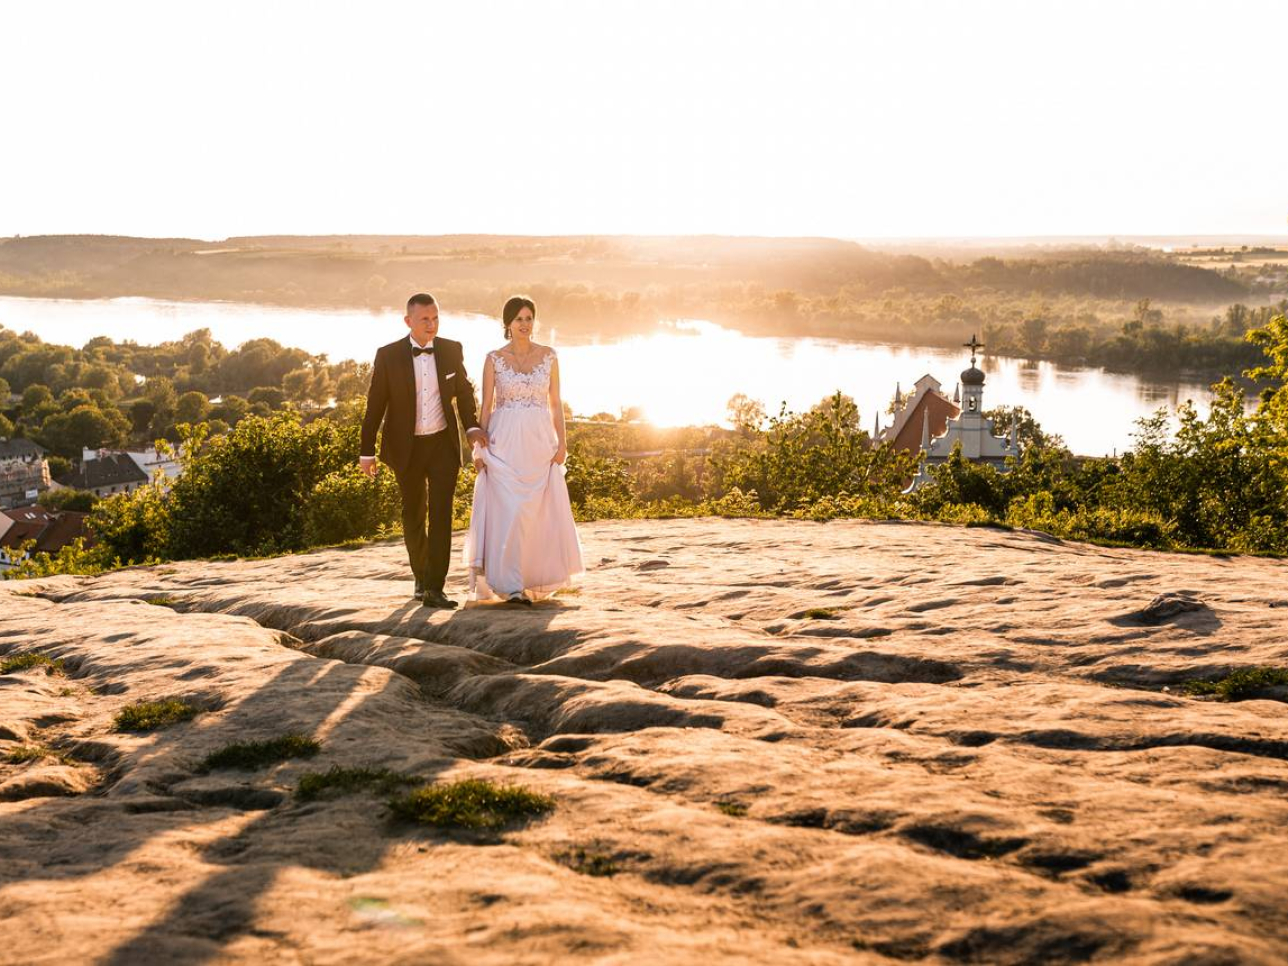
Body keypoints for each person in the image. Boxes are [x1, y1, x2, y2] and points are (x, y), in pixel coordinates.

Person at [360, 293, 487, 609]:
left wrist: (471, 427)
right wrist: (366, 451)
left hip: (442, 444)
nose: (431, 325)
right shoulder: (388, 356)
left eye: (435, 318)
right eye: (424, 319)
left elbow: (464, 392)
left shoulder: (451, 349)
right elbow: (375, 405)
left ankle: (434, 586)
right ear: (409, 321)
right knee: (413, 513)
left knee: (442, 514)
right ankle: (421, 576)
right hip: (407, 447)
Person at [464, 296, 583, 603]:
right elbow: (486, 406)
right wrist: (480, 449)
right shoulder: (493, 358)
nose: (525, 324)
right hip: (504, 442)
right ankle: (509, 584)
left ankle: (530, 579)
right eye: (518, 319)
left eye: (529, 318)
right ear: (507, 324)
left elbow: (556, 403)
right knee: (510, 511)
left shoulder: (549, 356)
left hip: (539, 442)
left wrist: (563, 443)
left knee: (534, 513)